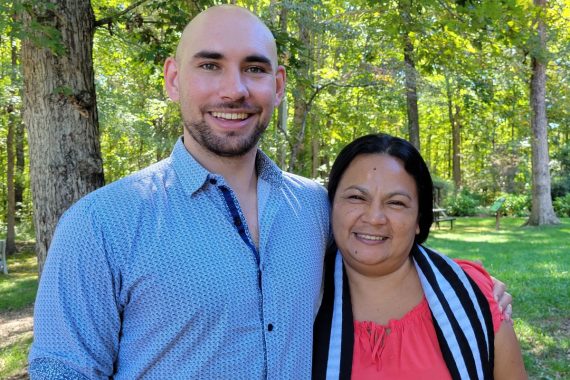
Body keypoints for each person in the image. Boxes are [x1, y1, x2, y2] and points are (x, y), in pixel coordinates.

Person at [29, 5, 512, 379]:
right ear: (174, 79)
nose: (234, 89)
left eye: (255, 69)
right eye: (211, 66)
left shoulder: (314, 209)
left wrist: (470, 288)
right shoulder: (102, 223)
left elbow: (381, 236)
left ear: (278, 85)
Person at [313, 133, 526, 379]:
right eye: (356, 197)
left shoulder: (470, 294)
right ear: (331, 206)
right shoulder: (298, 300)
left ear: (418, 219)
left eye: (396, 203)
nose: (374, 218)